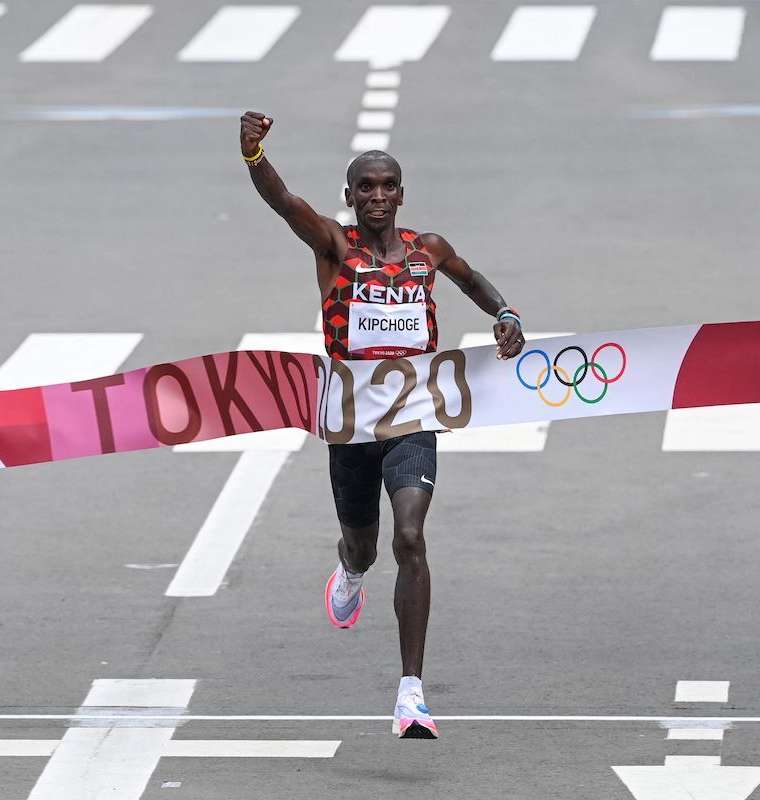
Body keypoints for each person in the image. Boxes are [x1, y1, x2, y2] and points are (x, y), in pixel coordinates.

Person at [239, 111, 525, 739]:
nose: (376, 196)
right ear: (350, 196)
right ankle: (350, 569)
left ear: (401, 194)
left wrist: (505, 313)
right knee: (365, 545)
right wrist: (253, 154)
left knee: (411, 538)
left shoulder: (429, 251)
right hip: (350, 425)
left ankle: (411, 693)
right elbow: (284, 202)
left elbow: (471, 279)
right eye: (364, 187)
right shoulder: (335, 247)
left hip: (413, 418)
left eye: (387, 186)